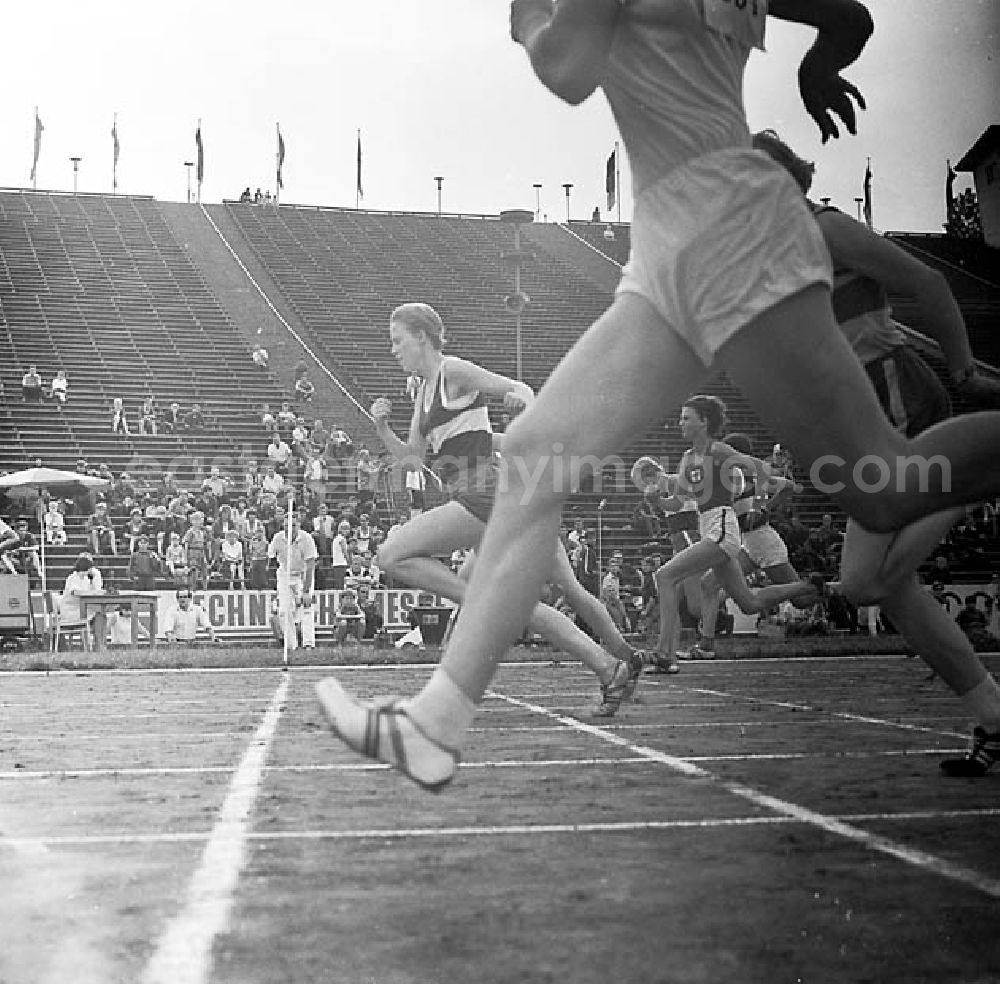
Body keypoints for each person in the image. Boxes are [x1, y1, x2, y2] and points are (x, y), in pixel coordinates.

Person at [315, 0, 1000, 790]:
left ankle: (440, 721)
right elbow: (847, 17)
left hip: (720, 232)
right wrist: (821, 65)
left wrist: (528, 12)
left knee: (884, 487)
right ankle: (436, 725)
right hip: (686, 237)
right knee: (540, 458)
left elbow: (566, 69)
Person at [753, 128, 1000, 777]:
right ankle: (995, 717)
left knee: (879, 580)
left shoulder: (826, 229)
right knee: (868, 583)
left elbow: (927, 281)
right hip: (869, 428)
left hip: (904, 406)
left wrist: (964, 366)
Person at [315, 302, 647, 731]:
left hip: (484, 492)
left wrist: (519, 403)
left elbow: (521, 388)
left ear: (422, 337)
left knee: (391, 554)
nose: (393, 349)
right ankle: (609, 669)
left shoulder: (452, 371)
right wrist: (381, 428)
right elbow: (414, 461)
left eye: (397, 340)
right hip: (475, 496)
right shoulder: (422, 397)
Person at [641, 397, 820, 668]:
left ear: (704, 422)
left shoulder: (719, 451)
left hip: (723, 529)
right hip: (710, 528)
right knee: (749, 602)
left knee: (664, 576)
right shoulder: (688, 459)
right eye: (681, 418)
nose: (680, 423)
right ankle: (810, 586)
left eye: (686, 418)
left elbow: (759, 468)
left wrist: (764, 490)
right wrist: (656, 501)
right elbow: (676, 504)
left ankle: (665, 654)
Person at [268, 509, 318, 650]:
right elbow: (271, 558)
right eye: (286, 526)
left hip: (302, 574)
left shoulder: (307, 539)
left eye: (293, 525)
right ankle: (291, 646)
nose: (289, 529)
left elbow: (310, 565)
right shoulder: (278, 538)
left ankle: (309, 644)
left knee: (307, 607)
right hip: (284, 574)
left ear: (299, 525)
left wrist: (306, 591)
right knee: (284, 610)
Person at [59, 554, 107, 648]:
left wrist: (93, 583)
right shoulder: (72, 578)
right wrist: (91, 593)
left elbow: (92, 590)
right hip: (70, 611)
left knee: (101, 615)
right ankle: (94, 645)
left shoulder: (85, 579)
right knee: (98, 614)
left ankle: (99, 645)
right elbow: (75, 592)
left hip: (81, 608)